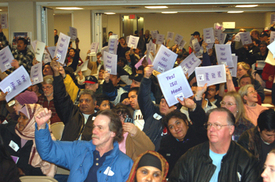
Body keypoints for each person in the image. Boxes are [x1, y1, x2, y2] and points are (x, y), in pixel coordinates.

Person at [35, 109, 133, 182]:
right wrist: (42, 126)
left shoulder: (125, 164)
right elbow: (48, 151)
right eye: (94, 126)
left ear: (113, 133)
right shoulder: (80, 149)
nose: (94, 131)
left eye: (100, 128)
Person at [169, 107, 261, 182]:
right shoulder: (191, 156)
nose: (211, 129)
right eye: (209, 125)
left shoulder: (246, 161)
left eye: (217, 125)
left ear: (231, 130)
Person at [0, 104, 56, 177]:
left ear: (34, 121)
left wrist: (23, 171)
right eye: (20, 116)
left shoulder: (45, 142)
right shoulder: (11, 131)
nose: (19, 120)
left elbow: (46, 173)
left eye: (24, 117)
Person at [158, 98, 207, 177]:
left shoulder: (198, 134)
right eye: (171, 127)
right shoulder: (166, 142)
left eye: (178, 123)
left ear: (186, 122)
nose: (176, 128)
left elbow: (200, 120)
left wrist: (193, 106)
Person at [51, 59, 97, 141]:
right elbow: (60, 97)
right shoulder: (72, 113)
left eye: (87, 100)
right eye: (81, 101)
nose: (83, 103)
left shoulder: (100, 118)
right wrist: (57, 75)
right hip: (67, 150)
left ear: (95, 103)